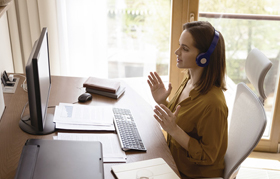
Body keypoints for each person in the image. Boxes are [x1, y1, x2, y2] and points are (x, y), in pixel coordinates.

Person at [147, 21, 228, 179]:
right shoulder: (190, 80)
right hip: (174, 160)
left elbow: (208, 156)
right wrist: (163, 102)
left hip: (192, 174)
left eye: (185, 49)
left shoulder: (214, 105)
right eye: (179, 45)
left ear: (203, 57)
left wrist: (174, 131)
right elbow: (183, 120)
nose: (177, 52)